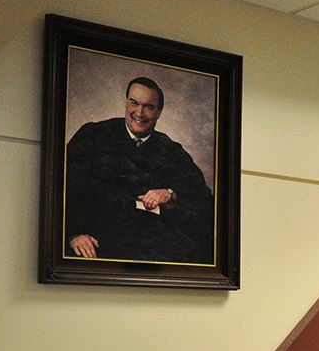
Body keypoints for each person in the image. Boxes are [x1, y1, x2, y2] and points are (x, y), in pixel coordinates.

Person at [65, 77, 213, 264]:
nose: (139, 113)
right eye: (134, 103)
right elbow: (63, 187)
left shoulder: (171, 150)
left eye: (149, 107)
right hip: (99, 241)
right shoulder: (93, 136)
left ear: (159, 112)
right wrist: (73, 234)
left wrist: (170, 193)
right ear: (126, 102)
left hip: (154, 246)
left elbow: (202, 197)